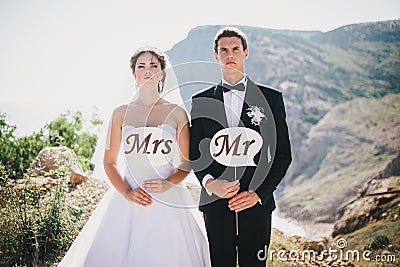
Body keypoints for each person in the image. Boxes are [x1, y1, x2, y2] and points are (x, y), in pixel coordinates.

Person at [59, 47, 211, 267]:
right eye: (142, 66)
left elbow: (186, 162)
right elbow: (109, 162)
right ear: (134, 74)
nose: (148, 70)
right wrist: (127, 192)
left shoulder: (177, 113)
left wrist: (168, 183)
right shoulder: (121, 113)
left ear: (162, 73)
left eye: (153, 66)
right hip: (128, 197)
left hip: (168, 198)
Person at [190, 27, 292, 266]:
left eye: (235, 49)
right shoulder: (200, 101)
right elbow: (195, 153)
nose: (229, 55)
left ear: (246, 52)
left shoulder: (271, 99)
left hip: (256, 203)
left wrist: (258, 194)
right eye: (223, 50)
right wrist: (210, 183)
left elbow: (282, 155)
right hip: (215, 203)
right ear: (215, 55)